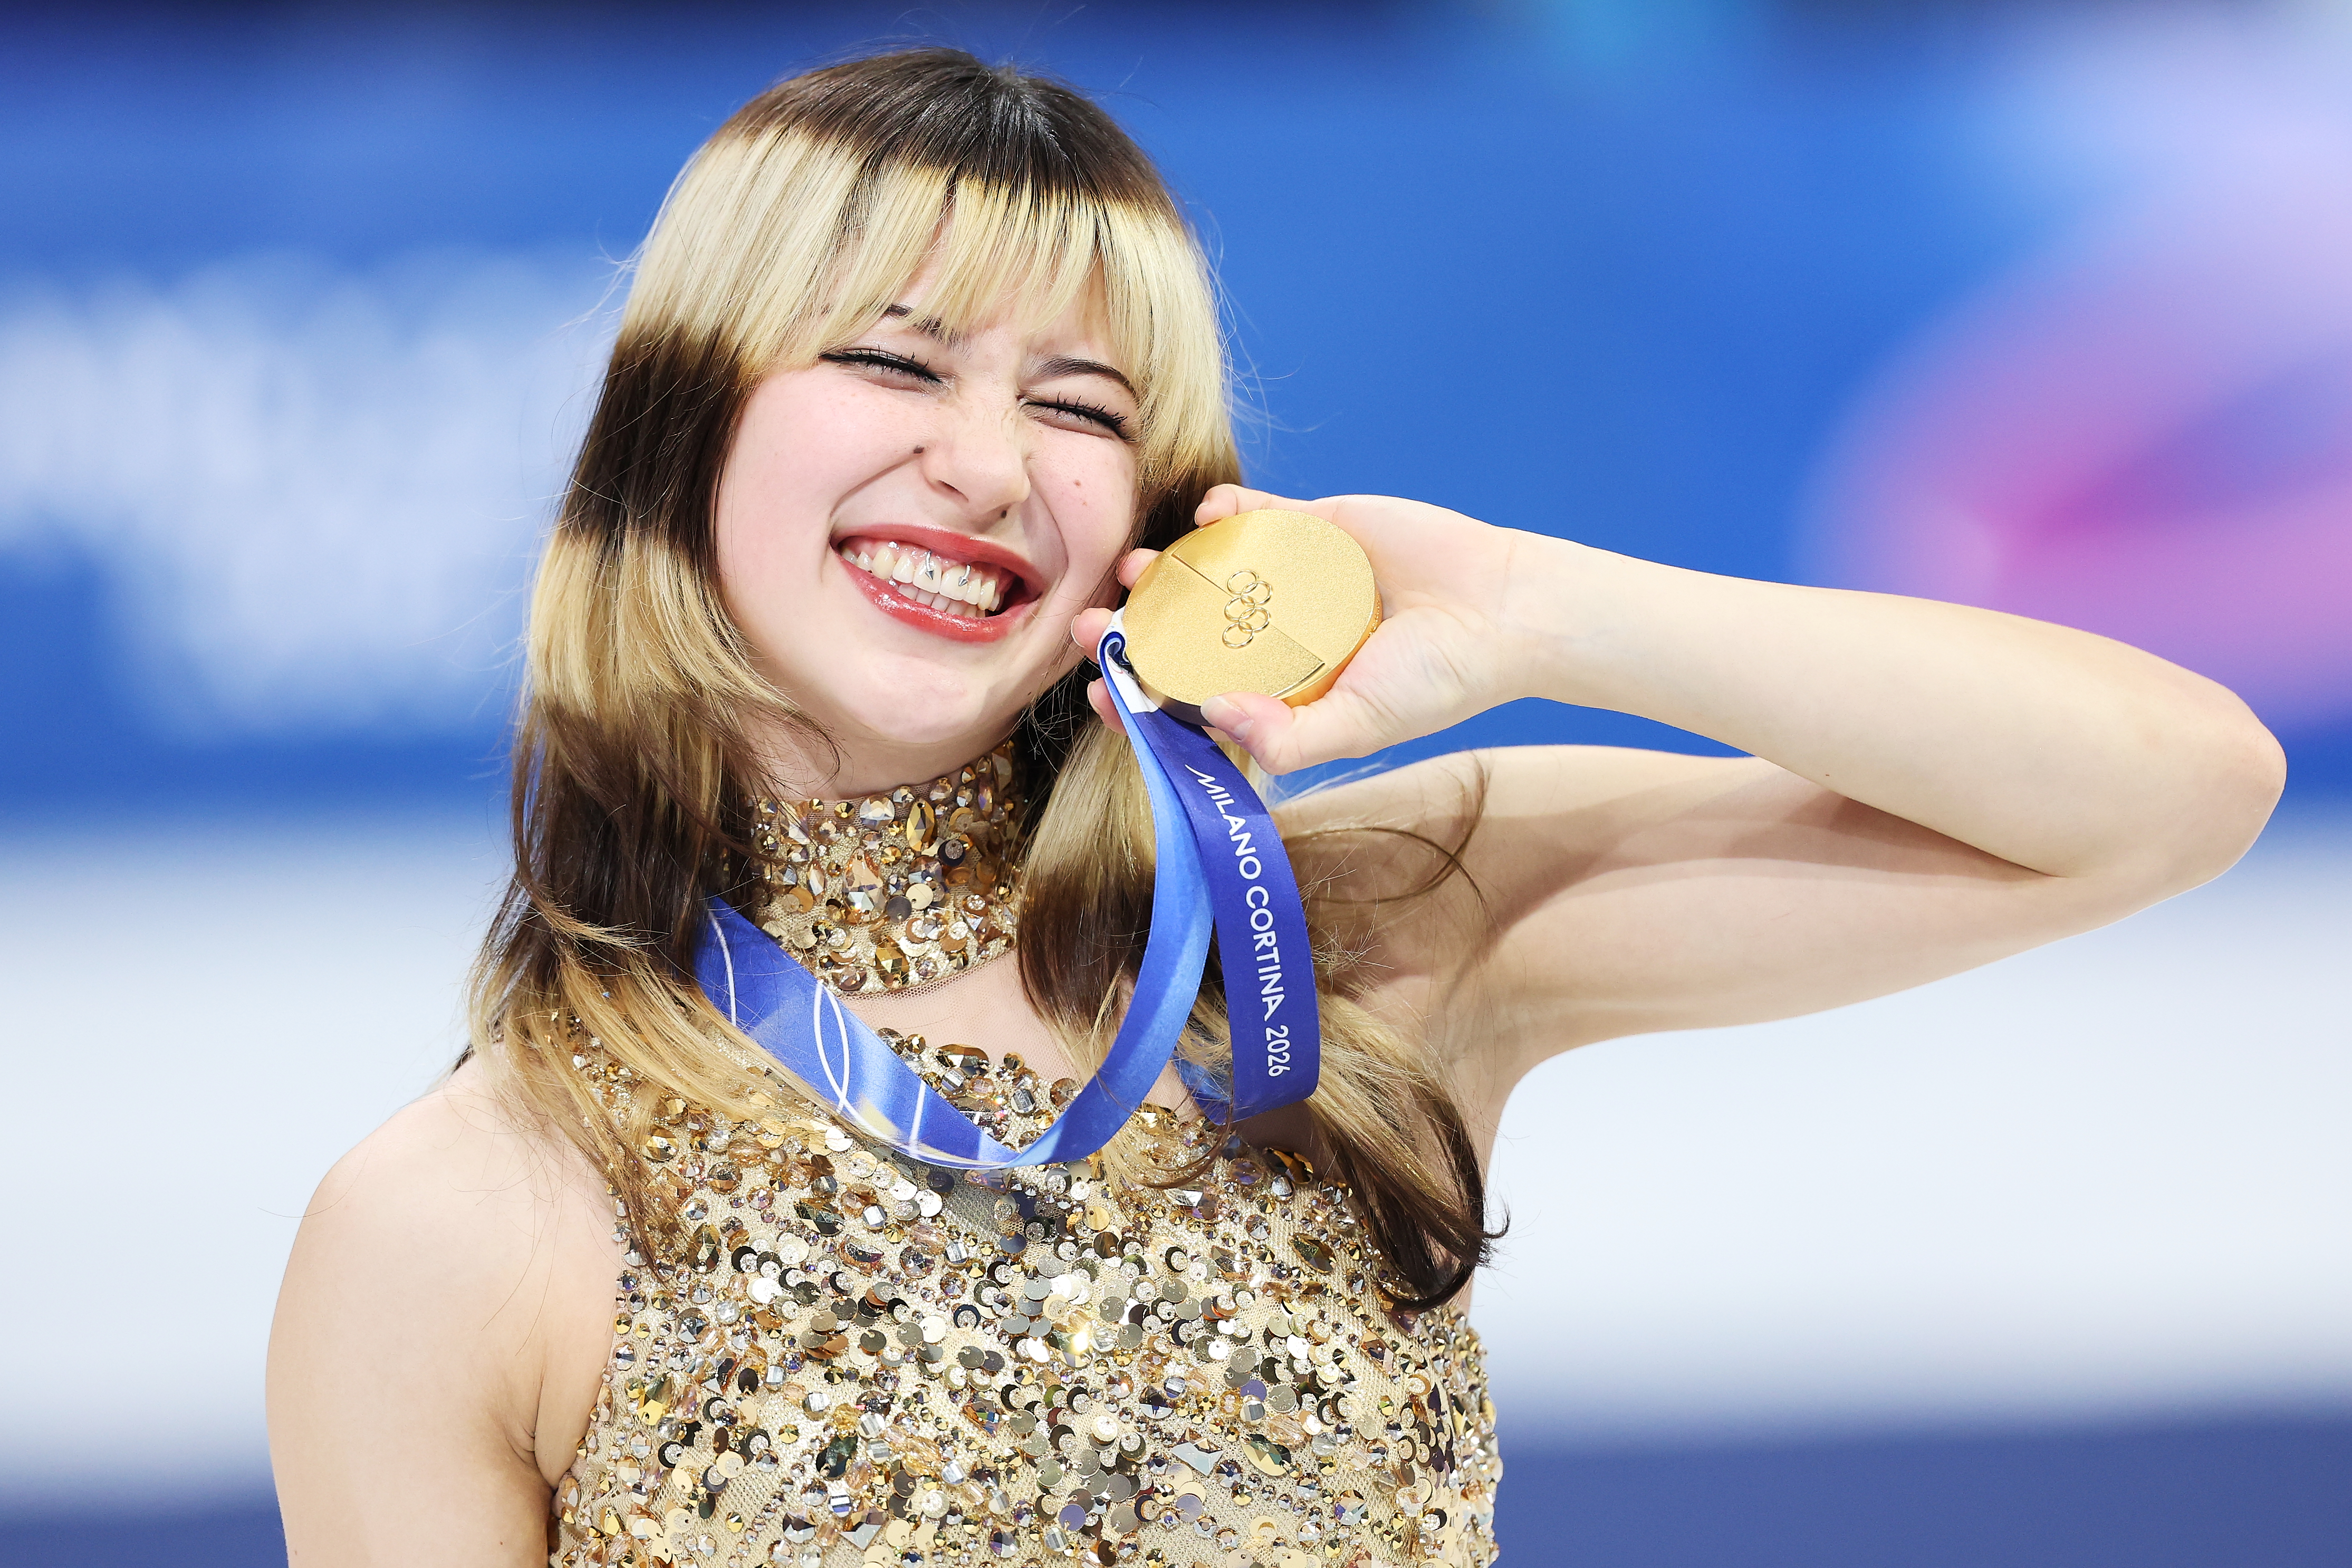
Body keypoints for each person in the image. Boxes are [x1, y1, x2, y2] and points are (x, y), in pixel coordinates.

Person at [265, 47, 2284, 1568]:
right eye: (895, 362)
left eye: (1078, 406)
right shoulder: (455, 1221)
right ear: (681, 428)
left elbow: (2172, 791)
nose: (987, 465)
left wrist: (1542, 608)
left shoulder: (1366, 939)